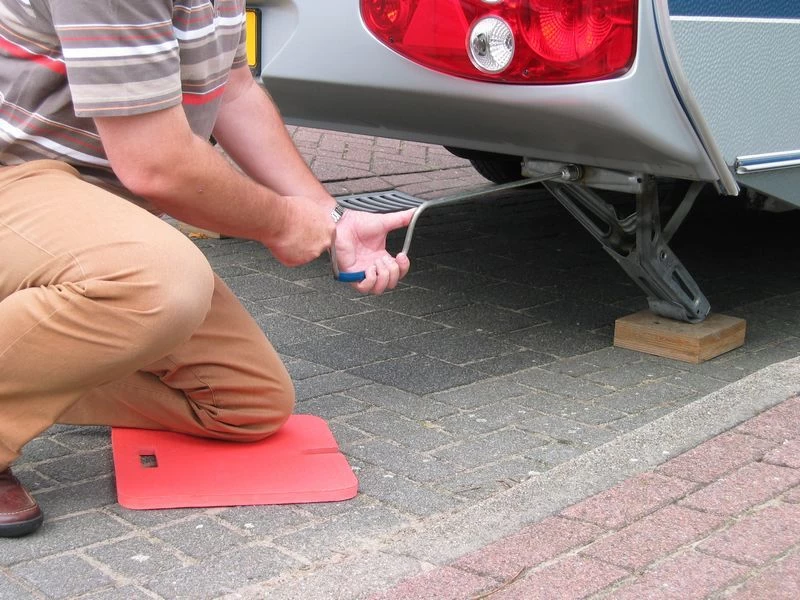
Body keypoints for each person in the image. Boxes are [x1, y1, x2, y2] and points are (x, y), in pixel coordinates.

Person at [0, 0, 413, 538]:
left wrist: (329, 218)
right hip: (16, 176)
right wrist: (282, 223)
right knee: (154, 283)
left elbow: (234, 91)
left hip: (92, 207)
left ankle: (31, 376)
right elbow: (157, 164)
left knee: (247, 404)